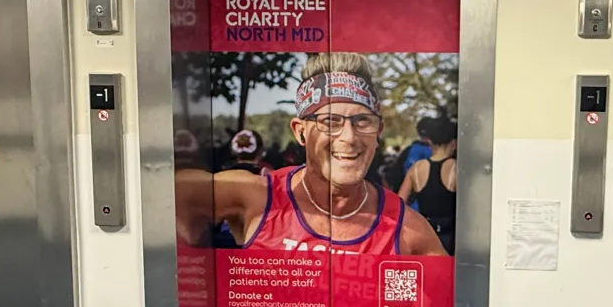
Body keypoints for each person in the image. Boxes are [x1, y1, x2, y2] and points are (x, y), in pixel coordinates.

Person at [177, 52, 446, 256]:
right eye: (330, 122)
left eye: (363, 121)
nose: (349, 137)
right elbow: (154, 194)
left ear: (378, 131)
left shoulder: (408, 229)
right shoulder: (257, 196)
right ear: (300, 131)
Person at [399, 118, 457, 255]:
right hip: (451, 238)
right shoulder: (457, 168)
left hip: (424, 236)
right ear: (454, 144)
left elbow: (399, 205)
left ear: (430, 142)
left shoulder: (416, 168)